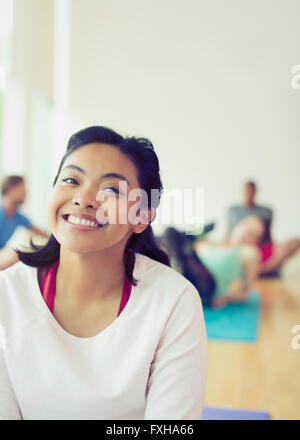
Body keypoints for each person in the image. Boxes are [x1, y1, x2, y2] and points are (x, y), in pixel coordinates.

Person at [0, 126, 208, 420]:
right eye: (71, 180)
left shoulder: (174, 301)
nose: (84, 199)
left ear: (142, 216)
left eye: (111, 189)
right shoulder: (7, 293)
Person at [160, 227, 260, 310]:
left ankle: (177, 267)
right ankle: (178, 266)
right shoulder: (216, 242)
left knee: (171, 234)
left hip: (208, 286)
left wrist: (225, 298)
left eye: (252, 234)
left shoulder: (250, 252)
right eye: (246, 228)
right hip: (192, 273)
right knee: (171, 232)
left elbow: (245, 293)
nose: (245, 234)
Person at [227, 180, 300, 275]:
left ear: (255, 192)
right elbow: (228, 235)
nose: (248, 193)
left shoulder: (266, 211)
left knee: (294, 242)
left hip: (262, 248)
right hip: (242, 249)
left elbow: (269, 235)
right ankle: (254, 270)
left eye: (251, 191)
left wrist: (277, 254)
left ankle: (261, 269)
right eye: (246, 190)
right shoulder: (233, 211)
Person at [0, 176, 49, 270]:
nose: (25, 193)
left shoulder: (17, 216)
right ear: (10, 190)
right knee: (15, 255)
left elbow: (41, 233)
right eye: (22, 188)